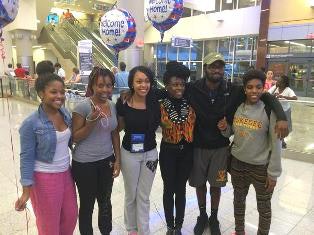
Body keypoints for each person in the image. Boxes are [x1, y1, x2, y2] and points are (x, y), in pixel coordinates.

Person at [183, 53, 287, 235]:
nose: (217, 70)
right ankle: (202, 215)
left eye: (220, 66)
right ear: (205, 68)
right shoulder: (192, 88)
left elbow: (263, 95)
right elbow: (169, 90)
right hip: (198, 146)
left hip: (221, 148)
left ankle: (213, 218)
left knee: (216, 185)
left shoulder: (233, 90)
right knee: (200, 184)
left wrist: (282, 115)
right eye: (212, 66)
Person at [217, 69, 282, 235]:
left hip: (261, 168)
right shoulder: (238, 107)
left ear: (263, 88)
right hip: (238, 164)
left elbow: (276, 144)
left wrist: (273, 173)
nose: (254, 91)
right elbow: (232, 132)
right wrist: (225, 129)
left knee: (264, 206)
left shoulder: (269, 110)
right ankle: (239, 231)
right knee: (238, 201)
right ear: (244, 89)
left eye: (258, 87)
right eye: (250, 87)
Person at [15, 72, 78, 234]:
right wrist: (26, 191)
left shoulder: (65, 114)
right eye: (54, 92)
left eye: (62, 92)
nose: (59, 96)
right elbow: (26, 158)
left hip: (66, 174)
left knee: (70, 218)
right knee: (49, 225)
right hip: (44, 178)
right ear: (41, 94)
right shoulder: (31, 123)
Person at [71, 67, 121, 235]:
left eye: (108, 85)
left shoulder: (112, 106)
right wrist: (91, 121)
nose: (105, 89)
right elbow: (75, 137)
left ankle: (106, 232)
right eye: (100, 85)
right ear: (92, 86)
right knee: (87, 204)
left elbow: (114, 133)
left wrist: (118, 160)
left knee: (105, 202)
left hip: (107, 160)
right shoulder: (82, 107)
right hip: (84, 164)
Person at [116, 66, 160, 235]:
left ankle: (144, 231)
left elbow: (177, 91)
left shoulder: (155, 99)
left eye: (147, 81)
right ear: (132, 84)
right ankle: (131, 230)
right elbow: (117, 128)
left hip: (150, 154)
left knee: (144, 196)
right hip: (129, 154)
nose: (144, 85)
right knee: (131, 195)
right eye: (139, 81)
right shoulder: (124, 101)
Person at [159, 62, 196, 235]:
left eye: (181, 84)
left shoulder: (190, 101)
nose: (178, 87)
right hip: (168, 151)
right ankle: (169, 226)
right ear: (167, 86)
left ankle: (179, 226)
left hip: (187, 151)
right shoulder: (160, 103)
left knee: (181, 189)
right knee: (169, 189)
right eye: (174, 84)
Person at [268, 75, 297, 148]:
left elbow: (295, 98)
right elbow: (268, 94)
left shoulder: (288, 90)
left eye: (279, 81)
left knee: (283, 126)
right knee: (274, 124)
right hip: (276, 110)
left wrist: (283, 97)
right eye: (277, 80)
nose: (277, 82)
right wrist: (274, 93)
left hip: (285, 110)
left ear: (284, 83)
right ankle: (274, 139)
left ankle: (282, 140)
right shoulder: (275, 87)